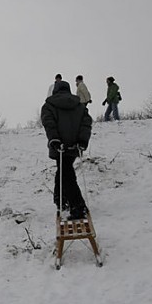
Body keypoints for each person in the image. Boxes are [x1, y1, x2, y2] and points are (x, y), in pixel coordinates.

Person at [41, 80, 92, 220]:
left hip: (59, 145)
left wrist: (54, 139)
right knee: (64, 169)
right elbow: (86, 123)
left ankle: (78, 207)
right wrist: (82, 140)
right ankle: (61, 199)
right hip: (75, 145)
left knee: (66, 173)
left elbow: (49, 123)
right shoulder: (79, 106)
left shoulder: (49, 105)